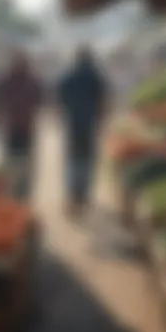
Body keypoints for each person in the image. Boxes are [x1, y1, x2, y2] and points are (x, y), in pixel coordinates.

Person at [57, 47, 108, 218]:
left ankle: (72, 194)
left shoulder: (69, 75)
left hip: (73, 123)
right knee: (87, 160)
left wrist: (64, 113)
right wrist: (101, 120)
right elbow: (103, 100)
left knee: (72, 159)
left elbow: (60, 97)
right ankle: (83, 195)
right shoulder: (95, 76)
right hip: (89, 124)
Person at [0, 52, 42, 198]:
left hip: (19, 127)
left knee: (19, 162)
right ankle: (18, 193)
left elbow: (39, 101)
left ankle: (19, 193)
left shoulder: (13, 81)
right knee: (18, 162)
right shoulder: (29, 82)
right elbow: (39, 101)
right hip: (19, 127)